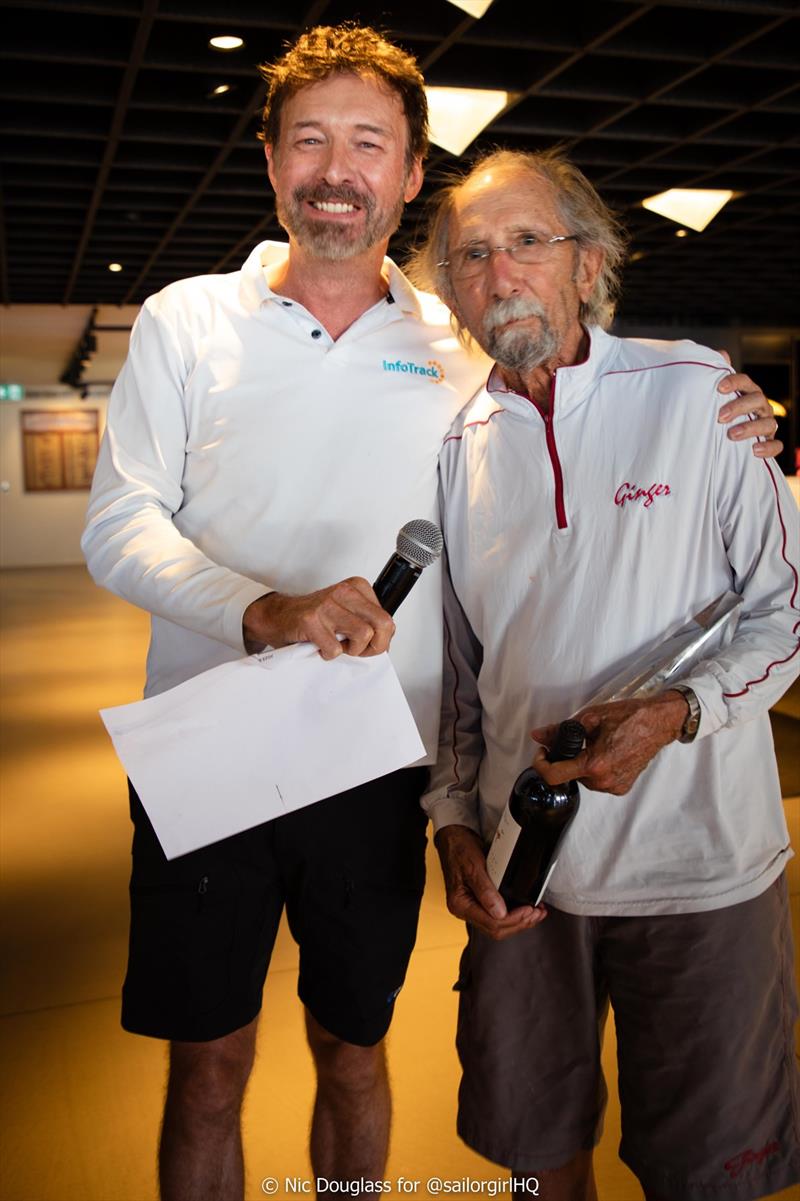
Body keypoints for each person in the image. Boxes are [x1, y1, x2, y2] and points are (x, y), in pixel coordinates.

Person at [81, 23, 780, 1201]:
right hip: (208, 749)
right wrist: (257, 607)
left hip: (373, 763)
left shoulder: (459, 348)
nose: (335, 170)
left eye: (368, 144)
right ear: (269, 163)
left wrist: (741, 410)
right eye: (308, 141)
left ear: (408, 175)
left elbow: (574, 414)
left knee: (353, 1055)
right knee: (206, 1067)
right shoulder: (184, 320)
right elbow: (117, 523)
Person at [412, 147, 800, 1201]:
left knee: (710, 1171)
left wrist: (676, 710)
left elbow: (786, 611)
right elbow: (456, 678)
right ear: (448, 290)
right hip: (526, 877)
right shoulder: (453, 448)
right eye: (470, 256)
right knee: (537, 1154)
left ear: (586, 264)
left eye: (526, 243)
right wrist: (453, 827)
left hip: (702, 870)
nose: (499, 275)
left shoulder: (696, 394)